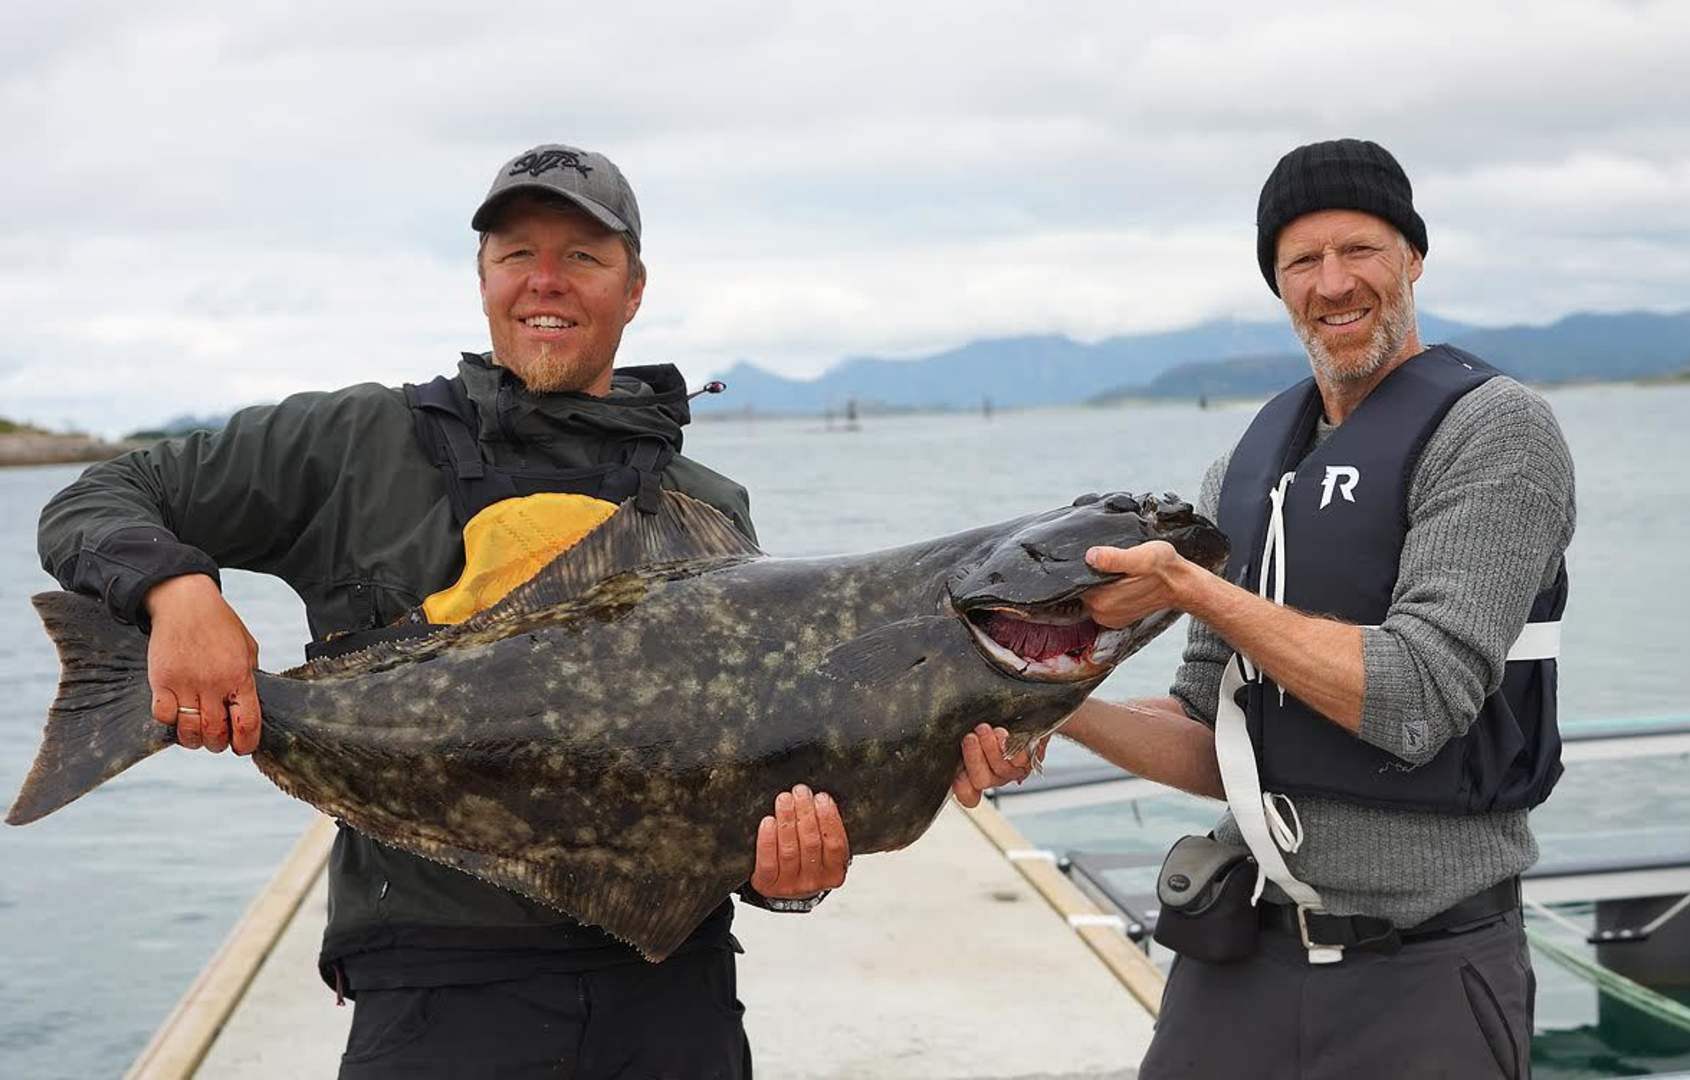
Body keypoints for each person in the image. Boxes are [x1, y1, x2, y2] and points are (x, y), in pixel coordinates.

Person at [38, 142, 1031, 1079]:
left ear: (633, 290)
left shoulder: (704, 509)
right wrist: (177, 594)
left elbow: (751, 764)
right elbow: (98, 499)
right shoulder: (351, 443)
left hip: (670, 989)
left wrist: (789, 875)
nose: (545, 281)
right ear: (482, 278)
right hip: (433, 981)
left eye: (582, 258)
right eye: (518, 254)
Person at [959, 139, 1576, 1078]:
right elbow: (1214, 734)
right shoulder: (1245, 471)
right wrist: (1047, 702)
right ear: (1278, 286)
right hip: (1241, 957)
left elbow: (1417, 701)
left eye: (1360, 249)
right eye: (1302, 261)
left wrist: (1191, 586)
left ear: (1412, 257)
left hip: (1427, 973)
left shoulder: (1496, 432)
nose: (1334, 282)